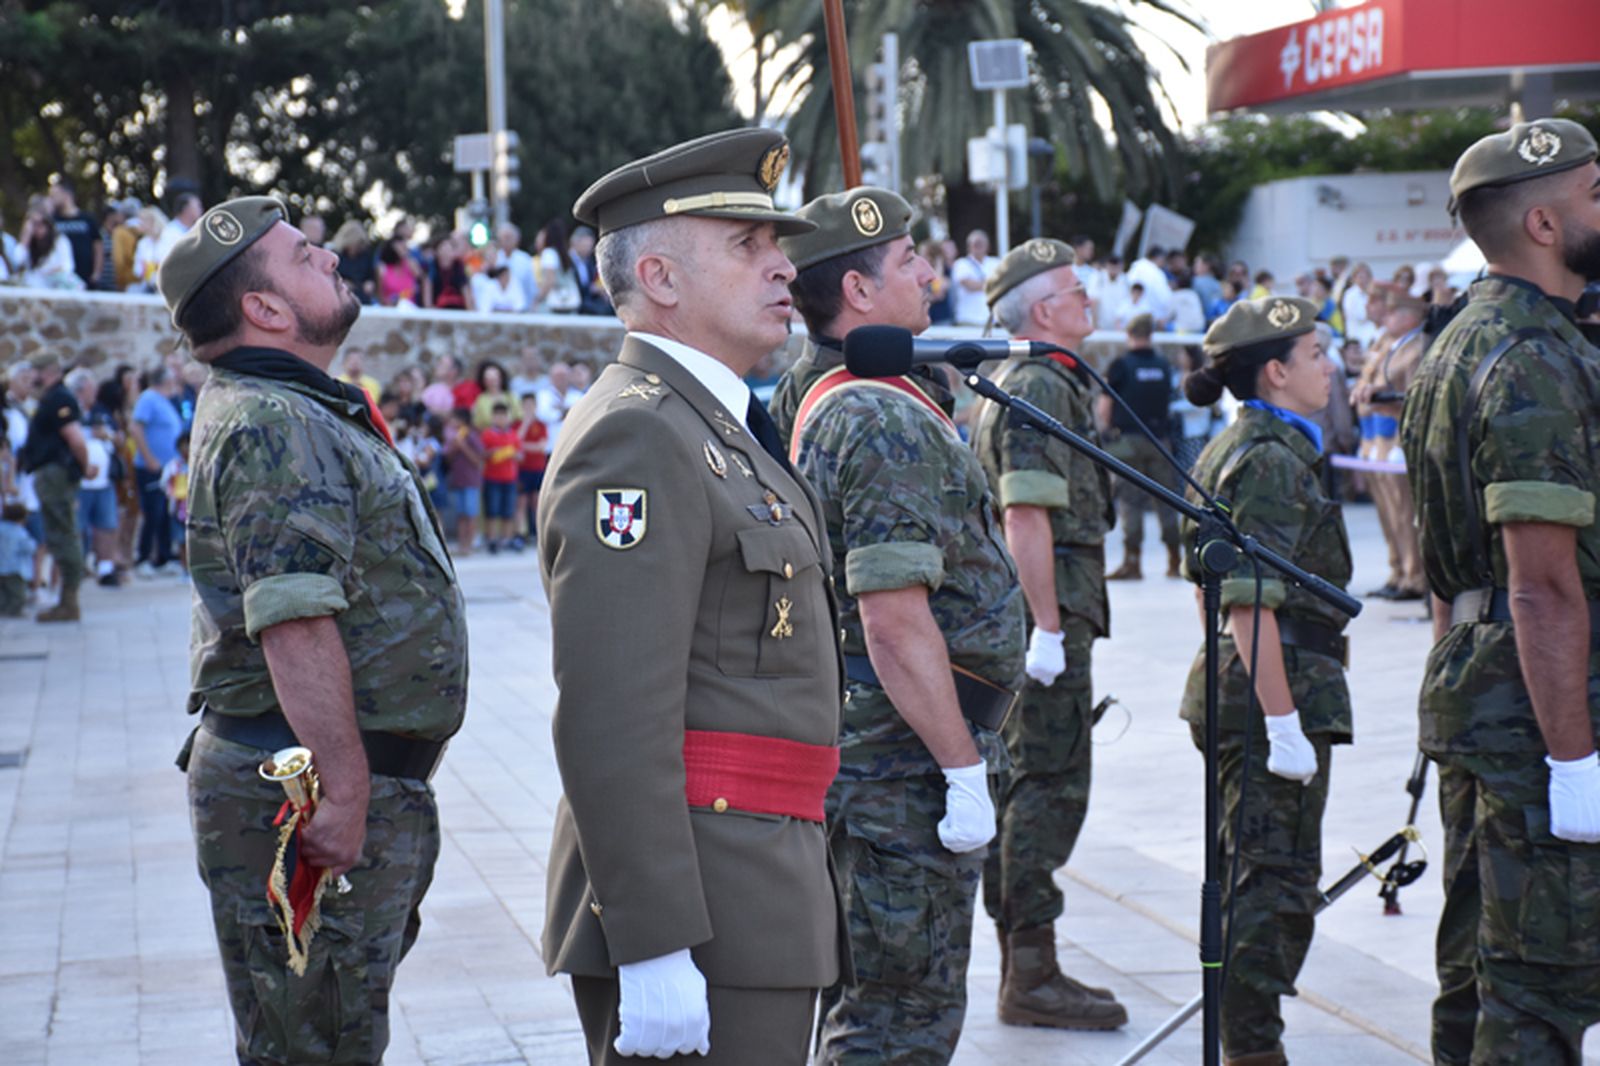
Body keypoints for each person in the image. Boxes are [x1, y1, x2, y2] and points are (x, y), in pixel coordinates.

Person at [538, 127, 845, 1065]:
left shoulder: (717, 427)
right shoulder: (637, 437)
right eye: (747, 245)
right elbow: (612, 714)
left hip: (757, 881)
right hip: (703, 904)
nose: (783, 268)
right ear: (661, 277)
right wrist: (655, 942)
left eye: (777, 246)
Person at [156, 196, 467, 1066]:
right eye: (303, 255)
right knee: (314, 1046)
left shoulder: (296, 408)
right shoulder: (270, 421)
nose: (328, 257)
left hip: (328, 784)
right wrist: (346, 791)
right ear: (264, 308)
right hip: (302, 796)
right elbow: (294, 620)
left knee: (330, 1035)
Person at [776, 186, 1023, 1063]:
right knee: (899, 1019)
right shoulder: (878, 416)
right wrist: (960, 769)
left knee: (871, 999)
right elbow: (891, 616)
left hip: (875, 744)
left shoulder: (835, 387)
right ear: (859, 294)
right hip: (905, 762)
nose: (930, 271)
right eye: (910, 258)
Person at [1400, 118, 1600, 1066]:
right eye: (1596, 194)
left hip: (1484, 695)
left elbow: (1457, 574)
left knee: (1481, 961)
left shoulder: (1460, 340)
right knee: (1544, 988)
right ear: (1545, 224)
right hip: (1538, 712)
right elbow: (1543, 589)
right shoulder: (1532, 361)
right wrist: (1575, 762)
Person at [1178, 296, 1351, 1066]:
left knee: (1255, 867)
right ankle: (1253, 1049)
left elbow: (1206, 586)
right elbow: (1246, 600)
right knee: (1273, 879)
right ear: (1277, 372)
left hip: (1253, 678)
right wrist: (1280, 718)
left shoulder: (1242, 447)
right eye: (1316, 353)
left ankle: (1249, 1038)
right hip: (1273, 689)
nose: (1329, 365)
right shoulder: (1271, 458)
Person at [970, 238, 1127, 1030]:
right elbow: (1024, 511)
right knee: (1048, 785)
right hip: (1045, 618)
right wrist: (1047, 628)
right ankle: (1030, 975)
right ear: (1040, 310)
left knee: (1035, 782)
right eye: (1074, 292)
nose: (1087, 302)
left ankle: (1026, 968)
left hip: (1052, 611)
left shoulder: (1044, 380)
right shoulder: (1035, 383)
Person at [1099, 313, 1181, 579]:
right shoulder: (1163, 365)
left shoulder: (1121, 365)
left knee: (1130, 502)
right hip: (1160, 440)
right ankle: (1174, 560)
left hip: (1128, 440)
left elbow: (1105, 405)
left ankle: (1132, 562)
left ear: (1128, 334)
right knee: (1167, 501)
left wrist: (1109, 428)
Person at [17, 360, 98, 622]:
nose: (33, 378)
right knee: (58, 534)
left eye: (36, 372)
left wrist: (85, 468)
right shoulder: (54, 397)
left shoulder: (58, 398)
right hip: (51, 475)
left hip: (55, 476)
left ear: (47, 372)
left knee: (62, 534)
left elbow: (76, 440)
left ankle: (69, 601)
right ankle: (66, 600)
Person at [130, 366, 183, 575]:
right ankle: (143, 557)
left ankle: (163, 557)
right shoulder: (148, 398)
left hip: (168, 468)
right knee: (153, 512)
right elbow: (136, 428)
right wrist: (149, 457)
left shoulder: (164, 399)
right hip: (152, 466)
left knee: (165, 512)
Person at [478, 402, 518, 553]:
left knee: (508, 510)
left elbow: (520, 454)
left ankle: (506, 539)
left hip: (509, 477)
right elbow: (482, 454)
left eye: (504, 416)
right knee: (492, 510)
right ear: (493, 417)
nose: (501, 419)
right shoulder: (487, 434)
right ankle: (492, 539)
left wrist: (512, 453)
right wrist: (492, 452)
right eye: (498, 416)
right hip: (492, 477)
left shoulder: (512, 434)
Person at [49, 177, 103, 289]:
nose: (52, 199)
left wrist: (96, 273)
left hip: (86, 278)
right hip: (61, 281)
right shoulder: (52, 221)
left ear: (66, 195)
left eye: (54, 195)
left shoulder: (87, 219)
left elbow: (98, 247)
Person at [443, 408, 483, 555]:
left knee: (470, 514)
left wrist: (463, 446)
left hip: (471, 481)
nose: (452, 422)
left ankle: (469, 544)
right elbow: (447, 458)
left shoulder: (472, 436)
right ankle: (461, 544)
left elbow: (478, 460)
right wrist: (455, 445)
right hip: (458, 481)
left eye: (455, 419)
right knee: (461, 514)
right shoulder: (453, 437)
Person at [515, 391, 547, 546]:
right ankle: (521, 533)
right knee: (521, 502)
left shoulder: (541, 425)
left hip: (537, 468)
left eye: (531, 405)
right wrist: (525, 424)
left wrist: (524, 447)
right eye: (525, 405)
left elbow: (541, 447)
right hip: (522, 469)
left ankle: (538, 532)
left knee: (536, 501)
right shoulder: (517, 424)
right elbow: (515, 443)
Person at [950, 228, 999, 325]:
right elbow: (969, 285)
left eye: (981, 243)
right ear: (969, 246)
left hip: (990, 322)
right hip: (968, 320)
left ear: (987, 246)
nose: (978, 246)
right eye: (975, 243)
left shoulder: (995, 262)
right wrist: (994, 284)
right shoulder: (961, 264)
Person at [0, 500, 35, 616]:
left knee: (3, 592)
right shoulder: (19, 532)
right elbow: (29, 547)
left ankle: (3, 609)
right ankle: (15, 611)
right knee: (17, 594)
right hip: (16, 568)